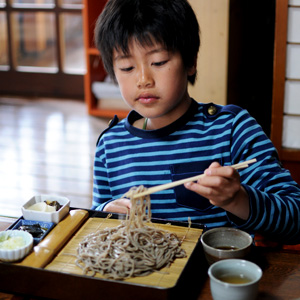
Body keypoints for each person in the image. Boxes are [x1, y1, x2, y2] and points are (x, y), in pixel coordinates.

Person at [91, 0, 300, 244]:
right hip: (137, 276)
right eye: (127, 67)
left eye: (158, 62)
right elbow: (96, 218)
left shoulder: (232, 129)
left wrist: (237, 200)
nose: (143, 79)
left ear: (191, 62)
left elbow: (295, 218)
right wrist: (105, 213)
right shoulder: (110, 144)